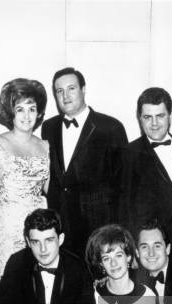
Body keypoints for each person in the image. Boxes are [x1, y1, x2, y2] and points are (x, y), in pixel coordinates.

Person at [42, 67, 128, 257]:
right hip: (62, 226)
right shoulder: (49, 127)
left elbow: (123, 186)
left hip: (98, 228)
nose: (65, 96)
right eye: (59, 91)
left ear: (83, 89)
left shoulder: (111, 127)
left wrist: (118, 233)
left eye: (71, 88)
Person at [0, 78, 50, 279]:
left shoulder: (46, 147)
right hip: (6, 227)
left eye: (32, 109)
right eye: (20, 109)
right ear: (10, 112)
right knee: (9, 284)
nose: (26, 115)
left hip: (38, 229)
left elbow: (50, 191)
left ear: (39, 112)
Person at [119, 87, 172, 255]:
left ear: (170, 116)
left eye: (160, 116)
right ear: (139, 119)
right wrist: (132, 250)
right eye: (147, 117)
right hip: (151, 252)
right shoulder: (127, 154)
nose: (154, 123)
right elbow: (124, 209)